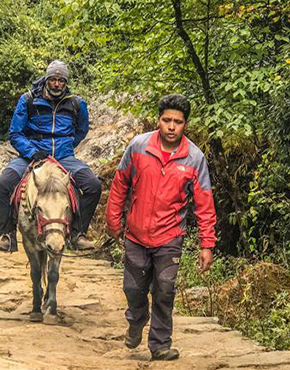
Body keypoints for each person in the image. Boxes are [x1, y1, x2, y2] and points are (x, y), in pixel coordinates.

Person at [105, 94, 217, 361]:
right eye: (166, 120)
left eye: (177, 122)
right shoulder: (138, 146)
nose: (171, 126)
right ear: (158, 120)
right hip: (136, 234)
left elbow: (204, 202)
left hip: (170, 237)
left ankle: (160, 344)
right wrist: (113, 220)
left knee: (165, 290)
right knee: (133, 290)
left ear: (185, 125)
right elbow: (120, 184)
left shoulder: (194, 158)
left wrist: (207, 244)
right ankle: (136, 321)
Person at [0, 60, 101, 252]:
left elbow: (82, 130)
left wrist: (66, 146)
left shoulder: (76, 103)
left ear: (66, 82)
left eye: (61, 80)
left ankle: (78, 233)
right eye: (53, 79)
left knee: (93, 185)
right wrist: (32, 151)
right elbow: (15, 134)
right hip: (31, 155)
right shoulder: (28, 100)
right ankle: (7, 234)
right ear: (46, 79)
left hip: (64, 157)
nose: (57, 84)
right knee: (1, 186)